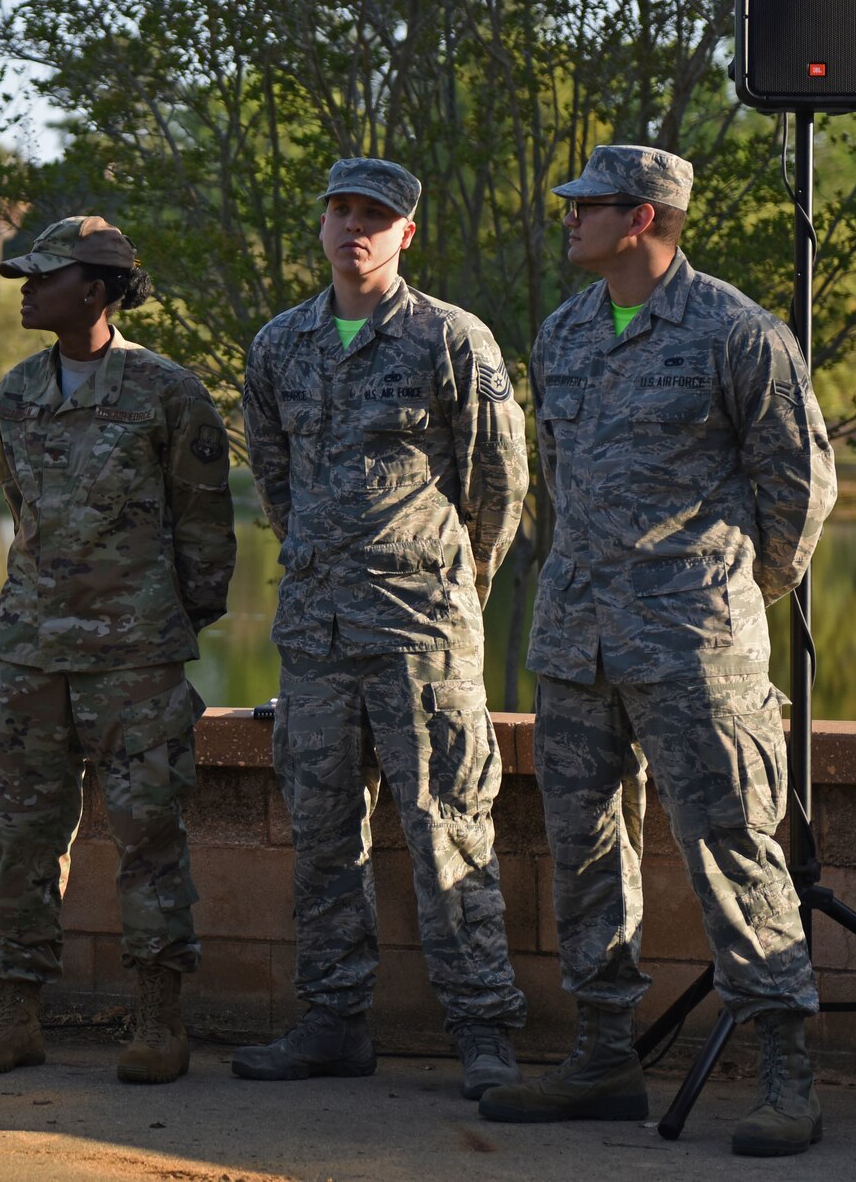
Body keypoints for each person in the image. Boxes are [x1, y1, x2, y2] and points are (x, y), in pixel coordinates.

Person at [477, 146, 837, 1158]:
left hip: (691, 645)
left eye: (583, 206)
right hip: (575, 639)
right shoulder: (564, 332)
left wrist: (723, 598)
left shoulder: (735, 332)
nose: (566, 218)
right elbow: (560, 477)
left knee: (732, 849)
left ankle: (782, 1073)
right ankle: (601, 1058)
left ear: (640, 218)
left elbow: (797, 491)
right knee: (584, 849)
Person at [236, 158, 531, 1098]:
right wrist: (323, 564)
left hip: (421, 632)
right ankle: (330, 1022)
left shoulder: (452, 338)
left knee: (448, 826)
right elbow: (274, 478)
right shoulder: (280, 344)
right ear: (320, 226)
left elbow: (499, 486)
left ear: (407, 234)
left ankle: (484, 1032)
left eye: (377, 216)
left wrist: (454, 583)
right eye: (341, 211)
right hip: (316, 635)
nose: (354, 228)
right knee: (323, 836)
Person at [0, 217, 235, 1084]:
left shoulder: (166, 390)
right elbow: (21, 506)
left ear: (99, 291)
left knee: (150, 834)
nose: (26, 290)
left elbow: (205, 525)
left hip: (135, 656)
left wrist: (159, 624)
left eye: (46, 276)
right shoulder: (18, 391)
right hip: (30, 651)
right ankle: (18, 1010)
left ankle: (157, 1016)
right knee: (24, 835)